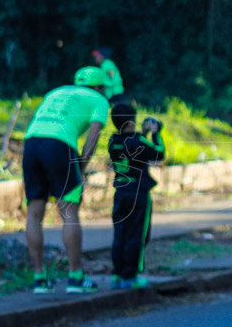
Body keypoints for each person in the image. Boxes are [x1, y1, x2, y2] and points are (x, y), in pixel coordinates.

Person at [22, 66, 110, 294]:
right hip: (59, 144)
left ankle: (39, 278)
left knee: (34, 211)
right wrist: (81, 166)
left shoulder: (56, 91)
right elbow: (93, 137)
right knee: (69, 211)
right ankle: (75, 276)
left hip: (31, 142)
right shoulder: (99, 100)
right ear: (100, 87)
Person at [107, 103, 166, 289]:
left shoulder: (112, 140)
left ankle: (118, 274)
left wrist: (142, 133)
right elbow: (159, 153)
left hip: (121, 192)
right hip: (138, 194)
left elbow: (134, 150)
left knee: (120, 233)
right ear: (132, 121)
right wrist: (156, 132)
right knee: (137, 234)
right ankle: (131, 276)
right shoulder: (139, 141)